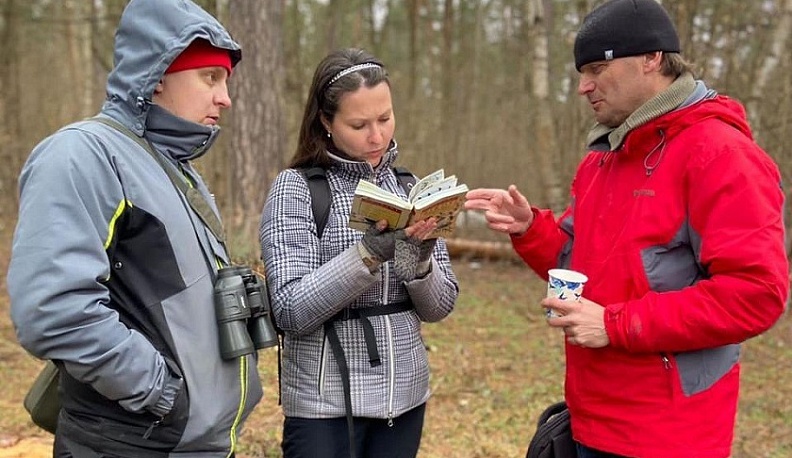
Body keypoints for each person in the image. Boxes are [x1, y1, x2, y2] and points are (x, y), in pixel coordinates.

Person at [465, 0, 788, 457]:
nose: (583, 87)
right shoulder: (604, 157)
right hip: (589, 418)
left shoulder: (721, 155)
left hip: (668, 435)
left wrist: (616, 325)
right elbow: (578, 262)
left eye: (597, 67)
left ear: (652, 58)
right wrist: (528, 229)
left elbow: (756, 293)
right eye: (581, 72)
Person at [6, 0, 263, 456]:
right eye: (210, 77)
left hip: (192, 443)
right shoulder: (83, 155)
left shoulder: (174, 168)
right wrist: (161, 394)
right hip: (129, 443)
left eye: (226, 80)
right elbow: (53, 308)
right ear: (158, 73)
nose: (225, 97)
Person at [259, 48, 459, 458]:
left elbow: (439, 308)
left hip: (404, 399)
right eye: (358, 124)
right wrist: (368, 253)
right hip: (323, 407)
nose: (376, 136)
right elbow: (290, 311)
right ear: (326, 122)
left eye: (385, 119)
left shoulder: (411, 188)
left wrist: (417, 259)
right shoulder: (296, 189)